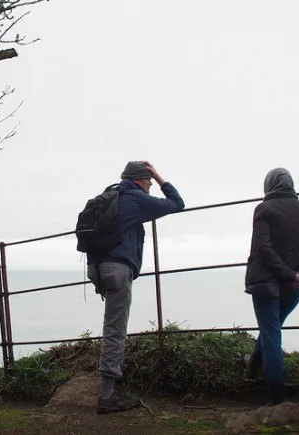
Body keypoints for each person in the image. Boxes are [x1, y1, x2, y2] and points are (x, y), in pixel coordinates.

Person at [87, 161, 185, 414]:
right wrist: (161, 177)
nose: (151, 184)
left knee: (113, 324)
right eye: (148, 179)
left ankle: (115, 379)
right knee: (115, 329)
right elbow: (177, 203)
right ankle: (107, 396)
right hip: (117, 269)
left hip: (97, 268)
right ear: (139, 180)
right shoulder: (136, 198)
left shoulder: (109, 196)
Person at [243, 168, 299, 405]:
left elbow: (263, 249)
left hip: (266, 283)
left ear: (269, 186)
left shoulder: (264, 209)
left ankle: (277, 396)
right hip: (294, 285)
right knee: (273, 328)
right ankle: (253, 364)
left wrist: (289, 274)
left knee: (271, 331)